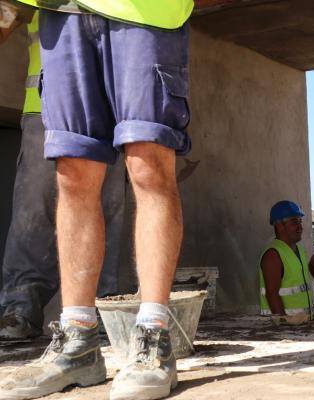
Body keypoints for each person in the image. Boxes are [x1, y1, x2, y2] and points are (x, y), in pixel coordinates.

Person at [0, 1, 194, 399]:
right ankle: (78, 342)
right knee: (73, 173)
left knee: (148, 165)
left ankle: (154, 336)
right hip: (61, 12)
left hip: (145, 11)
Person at [0, 7, 126, 340]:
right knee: (34, 211)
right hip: (43, 103)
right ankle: (21, 307)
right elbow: (7, 15)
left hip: (109, 109)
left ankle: (98, 306)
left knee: (104, 209)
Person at [259, 200, 314, 319]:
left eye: (300, 221)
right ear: (279, 226)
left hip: (304, 326)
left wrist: (312, 319)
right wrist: (285, 329)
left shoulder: (300, 250)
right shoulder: (273, 255)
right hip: (287, 330)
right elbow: (272, 295)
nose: (300, 227)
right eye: (294, 221)